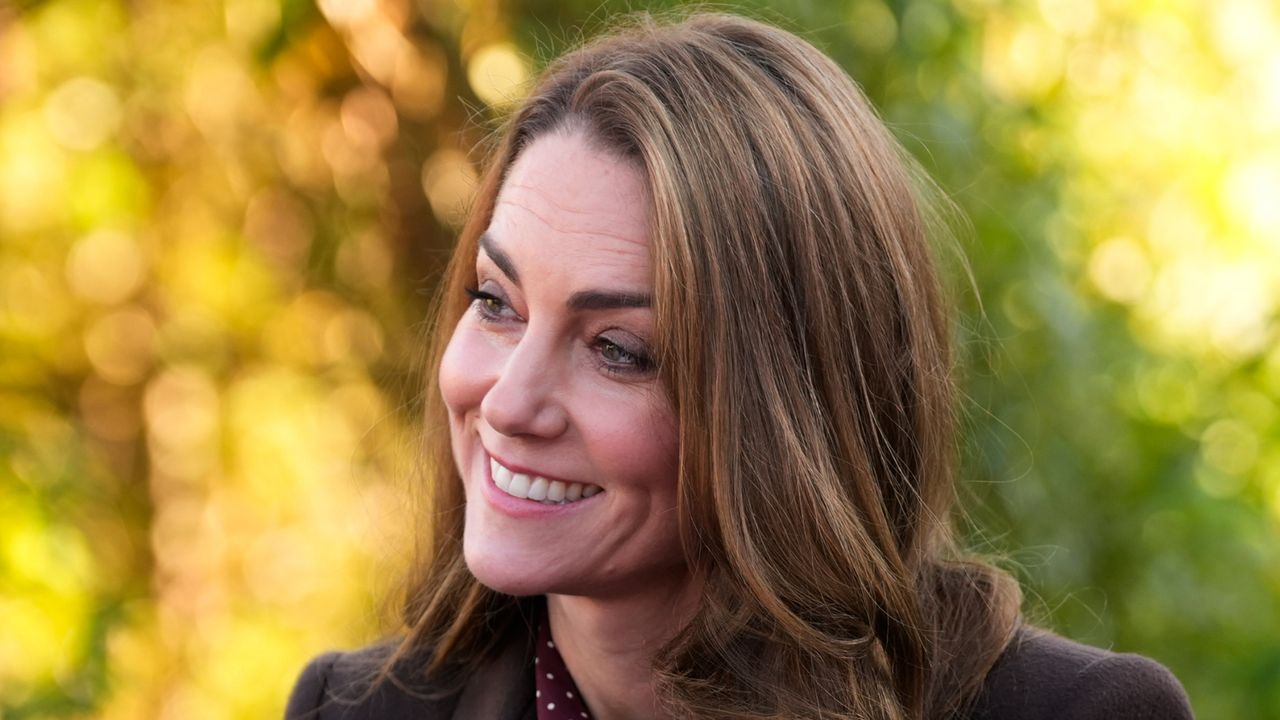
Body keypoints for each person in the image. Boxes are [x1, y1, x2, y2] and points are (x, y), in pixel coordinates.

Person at [285, 12, 1193, 720]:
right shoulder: (354, 710)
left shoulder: (1074, 715)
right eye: (496, 303)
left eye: (619, 350)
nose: (510, 401)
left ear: (790, 406)